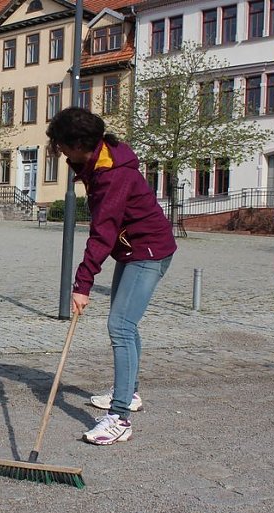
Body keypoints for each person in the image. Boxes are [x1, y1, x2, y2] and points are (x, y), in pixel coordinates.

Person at [46, 107, 177, 445]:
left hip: (148, 251)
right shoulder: (100, 159)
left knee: (121, 326)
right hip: (133, 250)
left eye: (62, 145)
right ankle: (129, 393)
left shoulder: (113, 174)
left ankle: (120, 418)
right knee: (126, 325)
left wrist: (83, 283)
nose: (60, 152)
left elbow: (102, 233)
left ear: (79, 144)